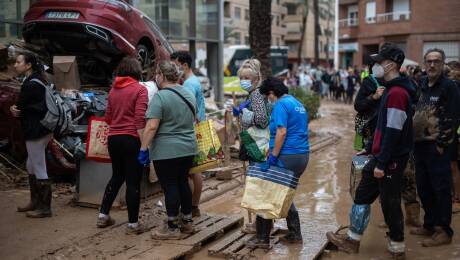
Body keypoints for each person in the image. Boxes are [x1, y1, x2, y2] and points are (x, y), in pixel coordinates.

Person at [327, 43, 416, 259]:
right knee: (362, 196)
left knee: (390, 203)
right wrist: (368, 148)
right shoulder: (388, 89)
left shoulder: (397, 93)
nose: (375, 65)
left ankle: (397, 248)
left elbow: (393, 132)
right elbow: (381, 126)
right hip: (378, 156)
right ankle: (352, 240)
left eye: (379, 61)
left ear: (391, 64)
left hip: (390, 160)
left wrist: (382, 162)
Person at [245, 77, 309, 248]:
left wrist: (273, 156)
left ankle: (262, 239)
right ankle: (295, 234)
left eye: (268, 97)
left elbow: (281, 132)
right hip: (301, 155)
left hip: (286, 155)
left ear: (272, 93)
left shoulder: (280, 104)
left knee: (265, 191)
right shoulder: (297, 103)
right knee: (284, 191)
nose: (268, 100)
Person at [138, 60, 197, 239]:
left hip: (166, 151)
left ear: (161, 76)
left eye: (157, 74)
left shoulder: (160, 97)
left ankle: (172, 227)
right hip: (188, 148)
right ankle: (187, 222)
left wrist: (143, 148)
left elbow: (151, 126)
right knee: (183, 182)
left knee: (170, 185)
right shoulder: (188, 94)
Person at [411, 49, 460, 246]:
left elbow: (454, 117)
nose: (432, 65)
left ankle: (444, 231)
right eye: (429, 61)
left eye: (436, 61)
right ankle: (429, 224)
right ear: (424, 63)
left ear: (442, 64)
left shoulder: (450, 87)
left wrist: (442, 145)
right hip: (420, 145)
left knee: (440, 189)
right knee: (423, 188)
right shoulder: (423, 84)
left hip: (438, 147)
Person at [96, 57, 148, 234]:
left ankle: (103, 215)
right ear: (136, 71)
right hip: (132, 139)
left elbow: (108, 118)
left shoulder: (112, 91)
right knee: (133, 181)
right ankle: (133, 225)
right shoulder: (140, 90)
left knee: (117, 176)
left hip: (114, 139)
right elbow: (140, 120)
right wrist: (144, 146)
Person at [11, 52, 53, 218]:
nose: (15, 65)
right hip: (44, 129)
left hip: (35, 131)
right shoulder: (39, 80)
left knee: (39, 166)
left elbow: (20, 107)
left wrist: (14, 109)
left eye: (18, 62)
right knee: (31, 165)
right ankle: (35, 201)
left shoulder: (30, 85)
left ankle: (45, 208)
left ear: (28, 65)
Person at [170, 51, 205, 218]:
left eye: (175, 65)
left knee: (190, 172)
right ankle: (193, 206)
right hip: (198, 128)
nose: (174, 69)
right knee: (195, 170)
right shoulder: (193, 81)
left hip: (192, 130)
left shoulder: (189, 85)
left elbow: (187, 110)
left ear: (184, 65)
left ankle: (191, 206)